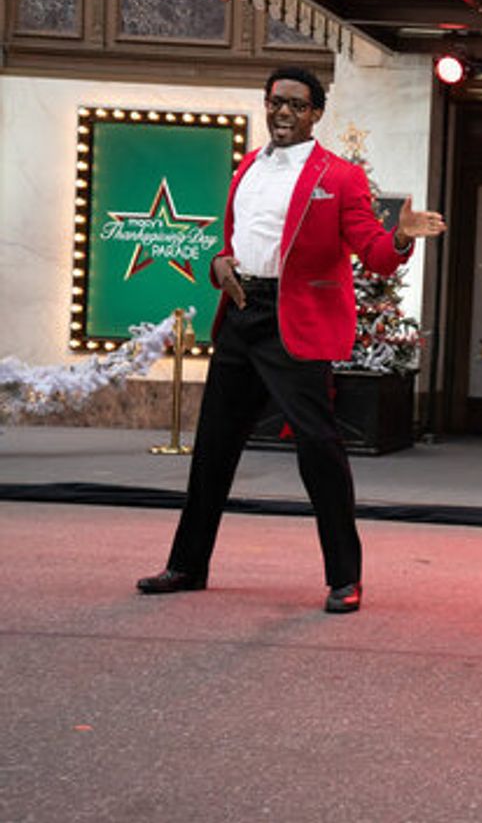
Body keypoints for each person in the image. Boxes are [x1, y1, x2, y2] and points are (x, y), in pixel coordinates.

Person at [137, 67, 446, 613]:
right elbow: (233, 241)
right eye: (276, 102)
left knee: (319, 451)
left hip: (294, 322)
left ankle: (345, 578)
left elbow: (373, 252)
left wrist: (399, 236)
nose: (283, 112)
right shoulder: (248, 168)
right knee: (212, 449)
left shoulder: (340, 176)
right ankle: (186, 564)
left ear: (316, 114)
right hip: (240, 314)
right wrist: (218, 264)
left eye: (296, 105)